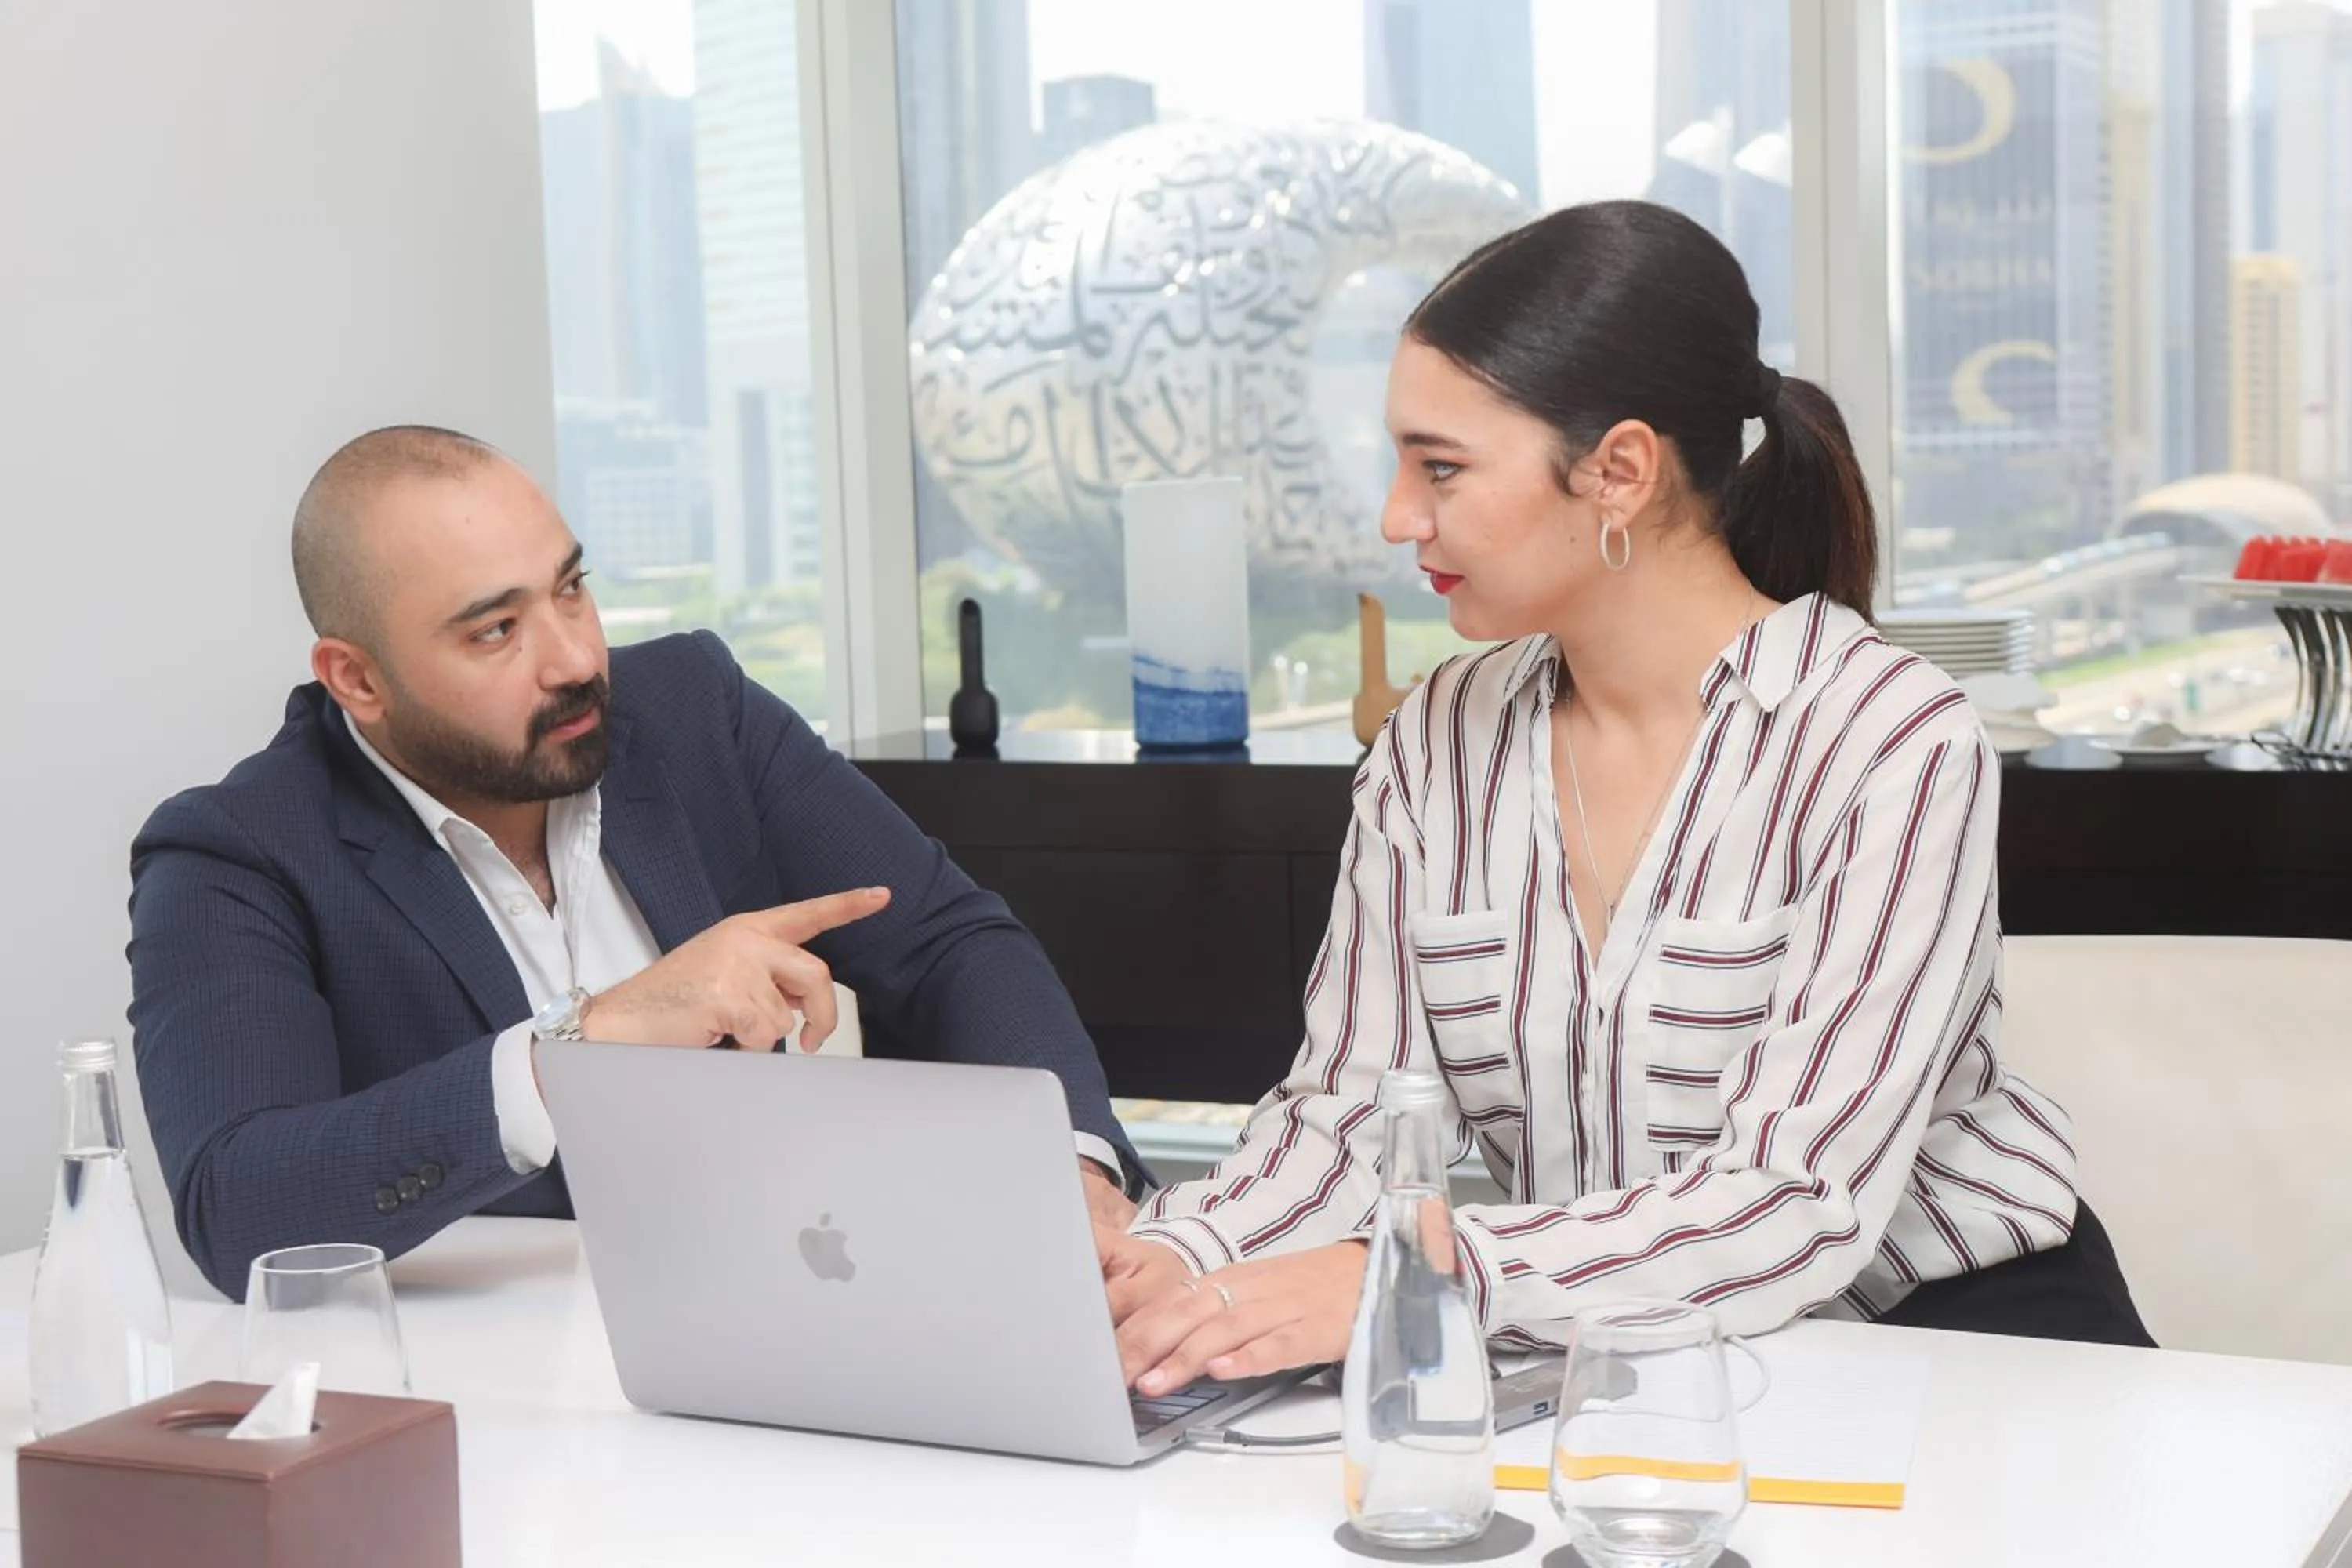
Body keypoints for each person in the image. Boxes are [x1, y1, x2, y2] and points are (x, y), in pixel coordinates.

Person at [1102, 201, 2152, 1396]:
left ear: (1620, 472)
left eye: (1440, 467)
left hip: (1969, 1350)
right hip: (1628, 1350)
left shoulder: (1890, 738)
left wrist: (1421, 1271)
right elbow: (1346, 1118)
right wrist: (1168, 1258)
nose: (1399, 516)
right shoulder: (1438, 740)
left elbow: (1795, 1203)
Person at [131, 426, 1141, 1299]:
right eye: (496, 630)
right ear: (358, 679)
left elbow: (951, 943)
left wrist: (1074, 1173)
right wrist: (589, 1040)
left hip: (802, 1313)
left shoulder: (694, 712)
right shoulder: (237, 855)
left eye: (572, 590)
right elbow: (238, 1206)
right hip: (495, 1420)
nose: (573, 658)